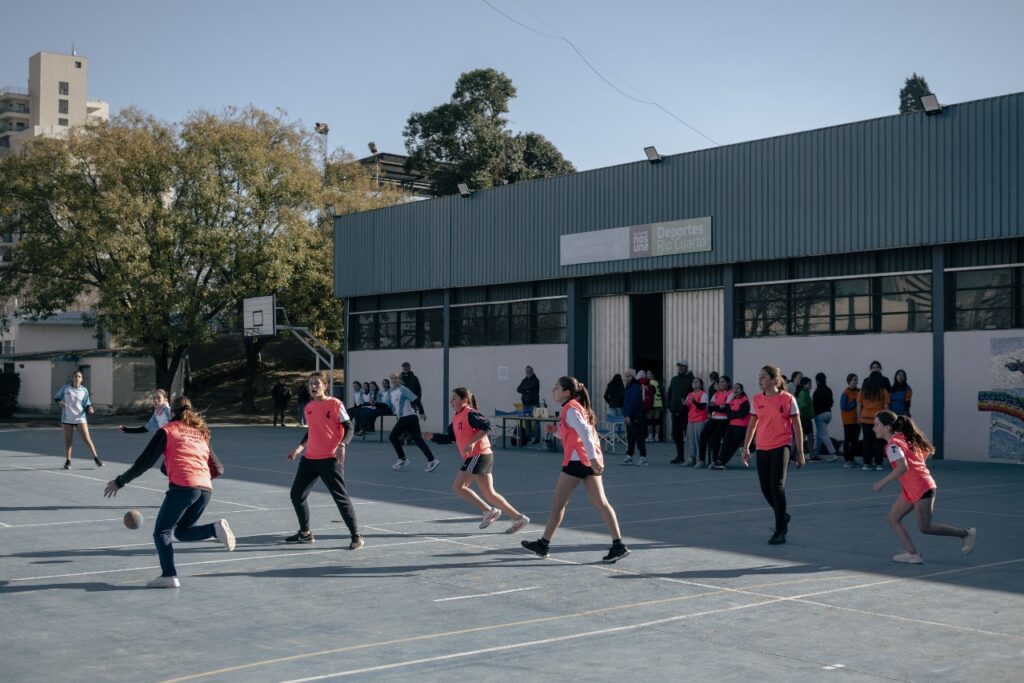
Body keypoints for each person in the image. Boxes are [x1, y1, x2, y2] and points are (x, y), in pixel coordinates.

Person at [103, 396, 235, 588]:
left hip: (184, 487)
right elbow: (218, 468)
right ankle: (214, 529)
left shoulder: (167, 430)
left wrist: (120, 481)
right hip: (205, 489)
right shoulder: (200, 433)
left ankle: (169, 575)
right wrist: (197, 477)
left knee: (162, 532)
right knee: (181, 532)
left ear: (171, 412)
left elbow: (145, 462)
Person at [521, 376, 630, 563]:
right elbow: (574, 433)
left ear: (566, 392)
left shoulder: (570, 409)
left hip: (577, 461)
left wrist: (592, 458)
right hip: (586, 460)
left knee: (558, 504)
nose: (553, 390)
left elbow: (585, 432)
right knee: (602, 504)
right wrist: (555, 431)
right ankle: (618, 544)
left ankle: (544, 544)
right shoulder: (575, 408)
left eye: (557, 388)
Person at [871, 410, 976, 564]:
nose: (874, 428)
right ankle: (912, 554)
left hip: (921, 487)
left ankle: (966, 533)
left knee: (925, 527)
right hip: (911, 488)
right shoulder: (902, 438)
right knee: (893, 518)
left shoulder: (893, 445)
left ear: (887, 427)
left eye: (877, 425)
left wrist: (882, 482)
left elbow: (902, 467)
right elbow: (924, 452)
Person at [425, 387, 529, 533]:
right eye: (451, 398)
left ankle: (489, 511)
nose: (451, 401)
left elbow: (487, 426)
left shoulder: (470, 414)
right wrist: (433, 437)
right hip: (480, 456)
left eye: (454, 398)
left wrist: (472, 442)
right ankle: (519, 518)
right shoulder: (456, 418)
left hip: (479, 454)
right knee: (489, 493)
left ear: (465, 400)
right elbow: (450, 438)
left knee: (458, 487)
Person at [284, 371, 363, 549]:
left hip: (330, 459)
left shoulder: (335, 404)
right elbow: (311, 431)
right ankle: (305, 534)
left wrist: (343, 445)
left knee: (340, 497)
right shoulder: (309, 407)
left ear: (325, 386)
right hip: (309, 459)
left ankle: (356, 536)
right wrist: (299, 448)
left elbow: (349, 427)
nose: (313, 386)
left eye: (317, 383)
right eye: (310, 383)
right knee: (296, 495)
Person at [741, 365, 805, 545]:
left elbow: (797, 427)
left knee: (777, 486)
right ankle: (782, 515)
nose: (759, 380)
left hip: (781, 446)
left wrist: (800, 452)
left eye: (763, 376)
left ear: (774, 379)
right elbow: (752, 425)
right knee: (765, 488)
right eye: (759, 376)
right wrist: (746, 448)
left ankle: (780, 530)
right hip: (762, 447)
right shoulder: (756, 399)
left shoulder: (788, 399)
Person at [387, 371, 438, 471]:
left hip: (408, 417)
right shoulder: (391, 392)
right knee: (418, 440)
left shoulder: (403, 389)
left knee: (392, 437)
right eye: (392, 378)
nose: (394, 380)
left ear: (399, 379)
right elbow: (390, 405)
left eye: (396, 378)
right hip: (408, 418)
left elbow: (416, 400)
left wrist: (422, 412)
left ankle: (402, 459)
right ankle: (432, 460)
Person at [54, 370, 103, 469]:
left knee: (87, 439)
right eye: (75, 376)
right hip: (67, 419)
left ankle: (96, 459)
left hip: (80, 418)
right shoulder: (65, 388)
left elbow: (87, 403)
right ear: (72, 378)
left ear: (82, 379)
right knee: (68, 441)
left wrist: (90, 408)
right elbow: (57, 397)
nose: (77, 378)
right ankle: (68, 462)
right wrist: (60, 402)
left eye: (79, 376)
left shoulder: (84, 390)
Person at [858, 370, 890, 471]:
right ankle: (878, 463)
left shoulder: (864, 390)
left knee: (867, 442)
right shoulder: (883, 391)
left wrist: (859, 417)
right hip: (878, 420)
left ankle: (867, 463)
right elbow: (886, 407)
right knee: (879, 442)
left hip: (865, 419)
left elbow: (859, 404)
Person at [699, 375, 732, 468]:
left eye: (723, 381)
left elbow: (726, 409)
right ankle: (701, 460)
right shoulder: (716, 393)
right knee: (703, 435)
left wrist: (716, 407)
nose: (720, 383)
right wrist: (719, 407)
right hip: (714, 418)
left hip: (724, 419)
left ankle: (714, 461)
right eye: (720, 382)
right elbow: (710, 408)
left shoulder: (731, 393)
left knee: (716, 437)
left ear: (728, 383)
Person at [715, 382, 750, 469]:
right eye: (734, 388)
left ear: (741, 390)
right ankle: (720, 460)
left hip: (741, 426)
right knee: (725, 443)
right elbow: (728, 414)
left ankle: (723, 462)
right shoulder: (732, 400)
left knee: (733, 445)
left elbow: (742, 414)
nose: (735, 390)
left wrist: (732, 414)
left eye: (738, 388)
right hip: (731, 425)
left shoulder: (745, 400)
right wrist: (729, 404)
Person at [666, 361, 694, 464]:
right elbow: (669, 393)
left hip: (686, 413)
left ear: (686, 367)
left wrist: (687, 407)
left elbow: (695, 395)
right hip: (675, 413)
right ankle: (680, 456)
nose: (680, 368)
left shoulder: (692, 380)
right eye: (679, 366)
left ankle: (692, 457)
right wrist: (670, 406)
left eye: (682, 366)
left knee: (689, 436)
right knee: (676, 435)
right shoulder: (674, 379)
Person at [620, 368, 647, 466]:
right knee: (630, 437)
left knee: (638, 437)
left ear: (632, 377)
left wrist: (628, 415)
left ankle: (643, 457)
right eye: (625, 376)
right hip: (630, 416)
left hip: (636, 416)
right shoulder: (628, 387)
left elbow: (633, 402)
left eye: (628, 376)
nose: (626, 378)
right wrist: (625, 414)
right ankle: (629, 456)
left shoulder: (635, 387)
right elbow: (626, 402)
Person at [811, 372, 838, 462]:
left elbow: (815, 405)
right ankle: (814, 453)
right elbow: (831, 402)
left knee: (823, 435)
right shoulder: (828, 390)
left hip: (820, 415)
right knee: (819, 435)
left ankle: (833, 453)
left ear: (817, 381)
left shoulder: (816, 392)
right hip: (828, 414)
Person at [682, 377, 708, 467]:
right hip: (691, 420)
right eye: (693, 381)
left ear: (700, 385)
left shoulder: (703, 394)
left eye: (697, 382)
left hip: (700, 419)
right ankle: (691, 458)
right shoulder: (689, 394)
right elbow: (687, 407)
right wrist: (683, 404)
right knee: (691, 440)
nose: (694, 383)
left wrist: (695, 402)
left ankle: (700, 460)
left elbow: (702, 406)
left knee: (699, 440)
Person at [840, 374, 861, 468]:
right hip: (848, 421)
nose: (856, 382)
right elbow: (843, 407)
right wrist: (854, 402)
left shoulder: (859, 391)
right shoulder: (845, 393)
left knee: (855, 441)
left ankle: (852, 459)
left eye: (857, 380)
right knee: (848, 440)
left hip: (857, 420)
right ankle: (847, 460)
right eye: (854, 380)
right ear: (849, 381)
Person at [517, 365, 541, 445]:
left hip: (534, 404)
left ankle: (537, 439)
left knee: (536, 422)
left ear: (532, 371)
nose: (528, 373)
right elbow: (518, 389)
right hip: (525, 404)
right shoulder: (524, 380)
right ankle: (528, 438)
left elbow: (530, 387)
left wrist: (524, 389)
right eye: (526, 371)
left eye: (529, 371)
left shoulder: (536, 380)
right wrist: (525, 391)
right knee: (527, 422)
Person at [796, 376, 815, 457]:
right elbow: (802, 406)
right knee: (808, 436)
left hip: (806, 417)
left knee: (806, 437)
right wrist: (808, 412)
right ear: (804, 384)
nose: (811, 385)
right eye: (809, 384)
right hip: (804, 418)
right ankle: (810, 455)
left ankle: (805, 454)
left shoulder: (806, 393)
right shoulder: (803, 394)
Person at [647, 370, 664, 442]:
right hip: (658, 403)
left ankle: (650, 437)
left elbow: (651, 393)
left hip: (652, 403)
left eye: (649, 374)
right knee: (657, 421)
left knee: (650, 421)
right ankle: (657, 437)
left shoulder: (650, 382)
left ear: (653, 375)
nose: (647, 375)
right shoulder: (657, 382)